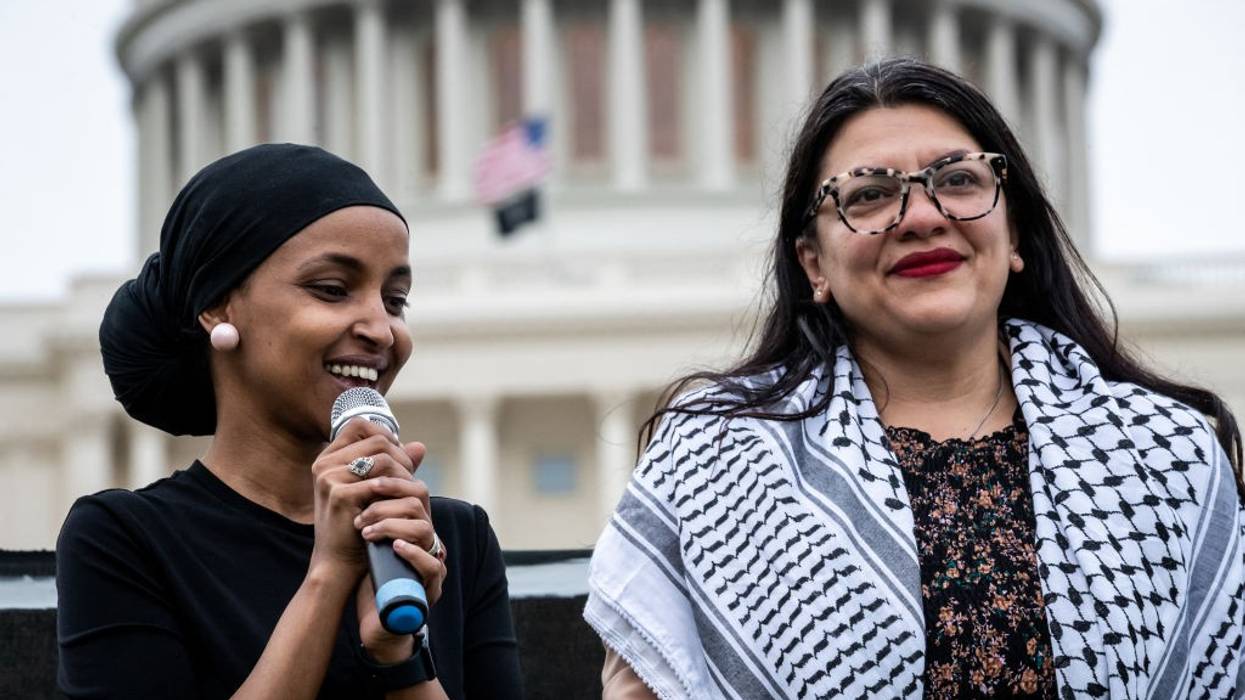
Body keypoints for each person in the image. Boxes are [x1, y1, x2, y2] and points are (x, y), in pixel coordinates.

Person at [586, 57, 1245, 699]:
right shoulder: (714, 463)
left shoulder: (1164, 455)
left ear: (1011, 228)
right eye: (869, 195)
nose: (923, 217)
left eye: (957, 180)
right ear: (812, 262)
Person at [56, 144, 523, 699]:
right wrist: (327, 577)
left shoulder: (451, 542)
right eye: (332, 289)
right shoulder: (124, 539)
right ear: (219, 306)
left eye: (396, 300)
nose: (380, 328)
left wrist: (398, 657)